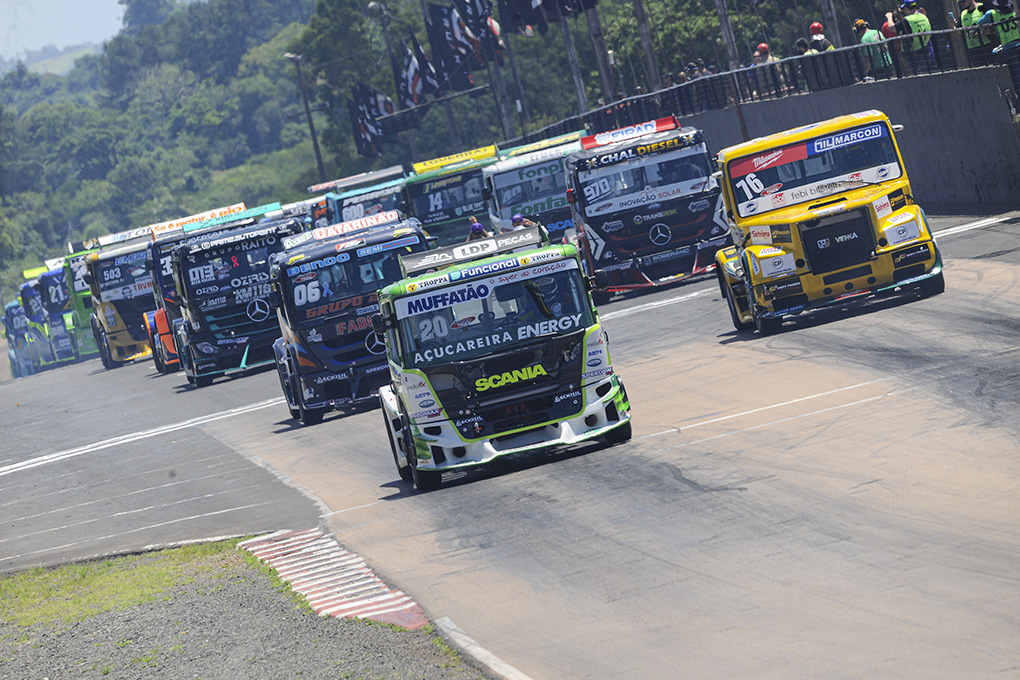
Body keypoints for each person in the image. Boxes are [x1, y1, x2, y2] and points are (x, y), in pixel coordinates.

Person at [896, 0, 935, 74]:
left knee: (919, 73)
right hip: (927, 47)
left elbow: (893, 28)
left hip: (914, 51)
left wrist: (889, 18)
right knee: (929, 71)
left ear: (907, 9)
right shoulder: (923, 16)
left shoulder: (907, 20)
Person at [958, 0, 997, 66]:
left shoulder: (983, 7)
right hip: (973, 50)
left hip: (987, 46)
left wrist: (984, 33)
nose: (962, 3)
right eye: (960, 2)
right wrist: (952, 26)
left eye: (964, 1)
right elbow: (959, 33)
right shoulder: (963, 14)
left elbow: (995, 25)